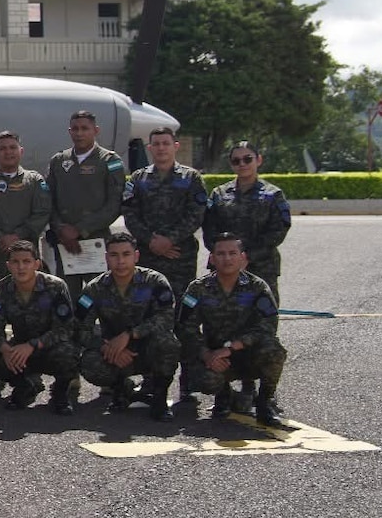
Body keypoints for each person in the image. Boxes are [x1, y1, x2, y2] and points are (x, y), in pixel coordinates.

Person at [175, 234, 287, 427]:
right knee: (204, 380)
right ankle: (224, 396)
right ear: (211, 258)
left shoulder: (257, 287)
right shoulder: (198, 289)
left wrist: (234, 346)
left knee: (274, 350)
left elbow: (268, 325)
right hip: (215, 357)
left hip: (247, 353)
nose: (227, 259)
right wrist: (206, 354)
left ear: (243, 258)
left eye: (232, 253)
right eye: (221, 254)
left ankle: (264, 403)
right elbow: (185, 327)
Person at [74, 232, 179, 421]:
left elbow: (167, 317)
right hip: (113, 351)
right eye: (114, 255)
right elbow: (80, 328)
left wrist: (131, 335)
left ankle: (159, 397)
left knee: (168, 343)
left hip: (147, 347)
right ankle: (121, 389)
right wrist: (106, 347)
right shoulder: (94, 288)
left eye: (126, 254)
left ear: (136, 256)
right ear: (106, 258)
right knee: (89, 362)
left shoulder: (155, 281)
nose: (120, 261)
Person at [0, 240, 82, 414]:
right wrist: (5, 348)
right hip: (19, 348)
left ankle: (60, 392)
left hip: (49, 346)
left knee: (69, 351)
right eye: (15, 262)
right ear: (8, 265)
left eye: (26, 262)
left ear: (37, 264)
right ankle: (25, 386)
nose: (21, 267)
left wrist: (33, 345)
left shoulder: (55, 286)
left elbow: (65, 328)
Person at [46, 109, 126, 295]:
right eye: (75, 129)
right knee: (66, 296)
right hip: (64, 242)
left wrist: (80, 229)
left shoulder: (110, 160)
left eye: (85, 128)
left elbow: (114, 204)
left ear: (95, 130)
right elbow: (47, 201)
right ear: (69, 131)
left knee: (99, 295)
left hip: (96, 240)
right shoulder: (58, 161)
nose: (79, 133)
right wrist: (61, 229)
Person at [203, 142, 292, 306]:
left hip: (261, 266)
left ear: (258, 160)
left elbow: (279, 230)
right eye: (236, 161)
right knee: (221, 315)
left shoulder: (273, 194)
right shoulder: (219, 194)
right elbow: (209, 227)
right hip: (224, 266)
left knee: (263, 316)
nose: (242, 164)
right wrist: (224, 255)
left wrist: (247, 256)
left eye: (247, 159)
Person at [121, 126, 208, 289]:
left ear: (175, 146)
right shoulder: (138, 178)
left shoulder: (191, 177)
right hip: (147, 254)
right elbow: (129, 213)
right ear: (149, 148)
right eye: (156, 144)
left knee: (182, 304)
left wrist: (169, 240)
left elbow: (196, 214)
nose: (161, 148)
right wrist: (152, 241)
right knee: (147, 303)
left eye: (166, 143)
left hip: (180, 254)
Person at [0, 130, 53, 296]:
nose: (8, 152)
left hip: (26, 251)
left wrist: (17, 236)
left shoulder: (34, 180)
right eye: (2, 149)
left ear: (21, 151)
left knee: (28, 297)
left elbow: (42, 212)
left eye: (12, 147)